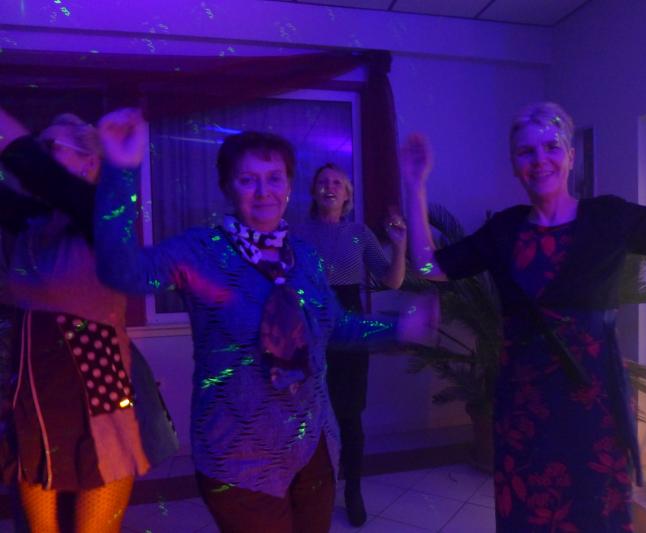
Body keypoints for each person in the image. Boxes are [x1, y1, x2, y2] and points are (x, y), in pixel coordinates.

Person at [401, 57, 646, 531]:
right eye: (526, 152)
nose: (539, 159)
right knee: (527, 518)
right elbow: (429, 267)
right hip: (523, 409)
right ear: (515, 165)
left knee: (594, 517)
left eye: (551, 147)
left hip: (593, 408)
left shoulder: (609, 218)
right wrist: (415, 186)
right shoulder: (503, 230)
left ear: (569, 156)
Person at [92, 109, 428, 533]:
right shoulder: (202, 250)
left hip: (312, 446)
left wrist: (398, 329)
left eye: (274, 178)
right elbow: (121, 270)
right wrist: (121, 171)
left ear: (288, 186)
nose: (264, 191)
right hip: (237, 454)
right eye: (248, 179)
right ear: (227, 187)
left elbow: (337, 325)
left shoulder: (304, 255)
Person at [0, 109, 177, 533]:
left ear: (89, 163)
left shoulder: (98, 215)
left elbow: (37, 170)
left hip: (95, 400)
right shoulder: (31, 221)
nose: (41, 155)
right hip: (35, 403)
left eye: (51, 147)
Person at [294, 163, 406, 526]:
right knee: (306, 414)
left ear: (347, 195)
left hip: (350, 324)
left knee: (349, 413)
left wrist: (400, 246)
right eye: (323, 181)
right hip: (308, 324)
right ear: (313, 191)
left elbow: (391, 280)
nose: (330, 187)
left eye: (337, 183)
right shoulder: (296, 233)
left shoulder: (359, 233)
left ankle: (353, 490)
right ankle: (311, 490)